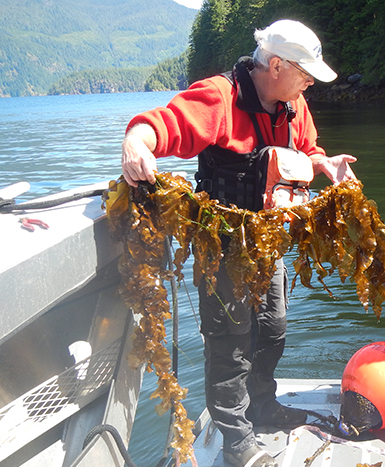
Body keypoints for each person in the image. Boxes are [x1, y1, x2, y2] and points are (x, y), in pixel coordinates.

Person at [121, 19, 356, 467]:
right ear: (274, 64)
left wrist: (324, 164)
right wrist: (136, 142)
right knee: (229, 341)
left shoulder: (294, 104)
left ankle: (264, 405)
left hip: (269, 243)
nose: (310, 81)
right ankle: (236, 440)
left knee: (272, 328)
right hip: (222, 245)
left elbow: (305, 151)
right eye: (305, 72)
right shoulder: (219, 96)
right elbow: (162, 125)